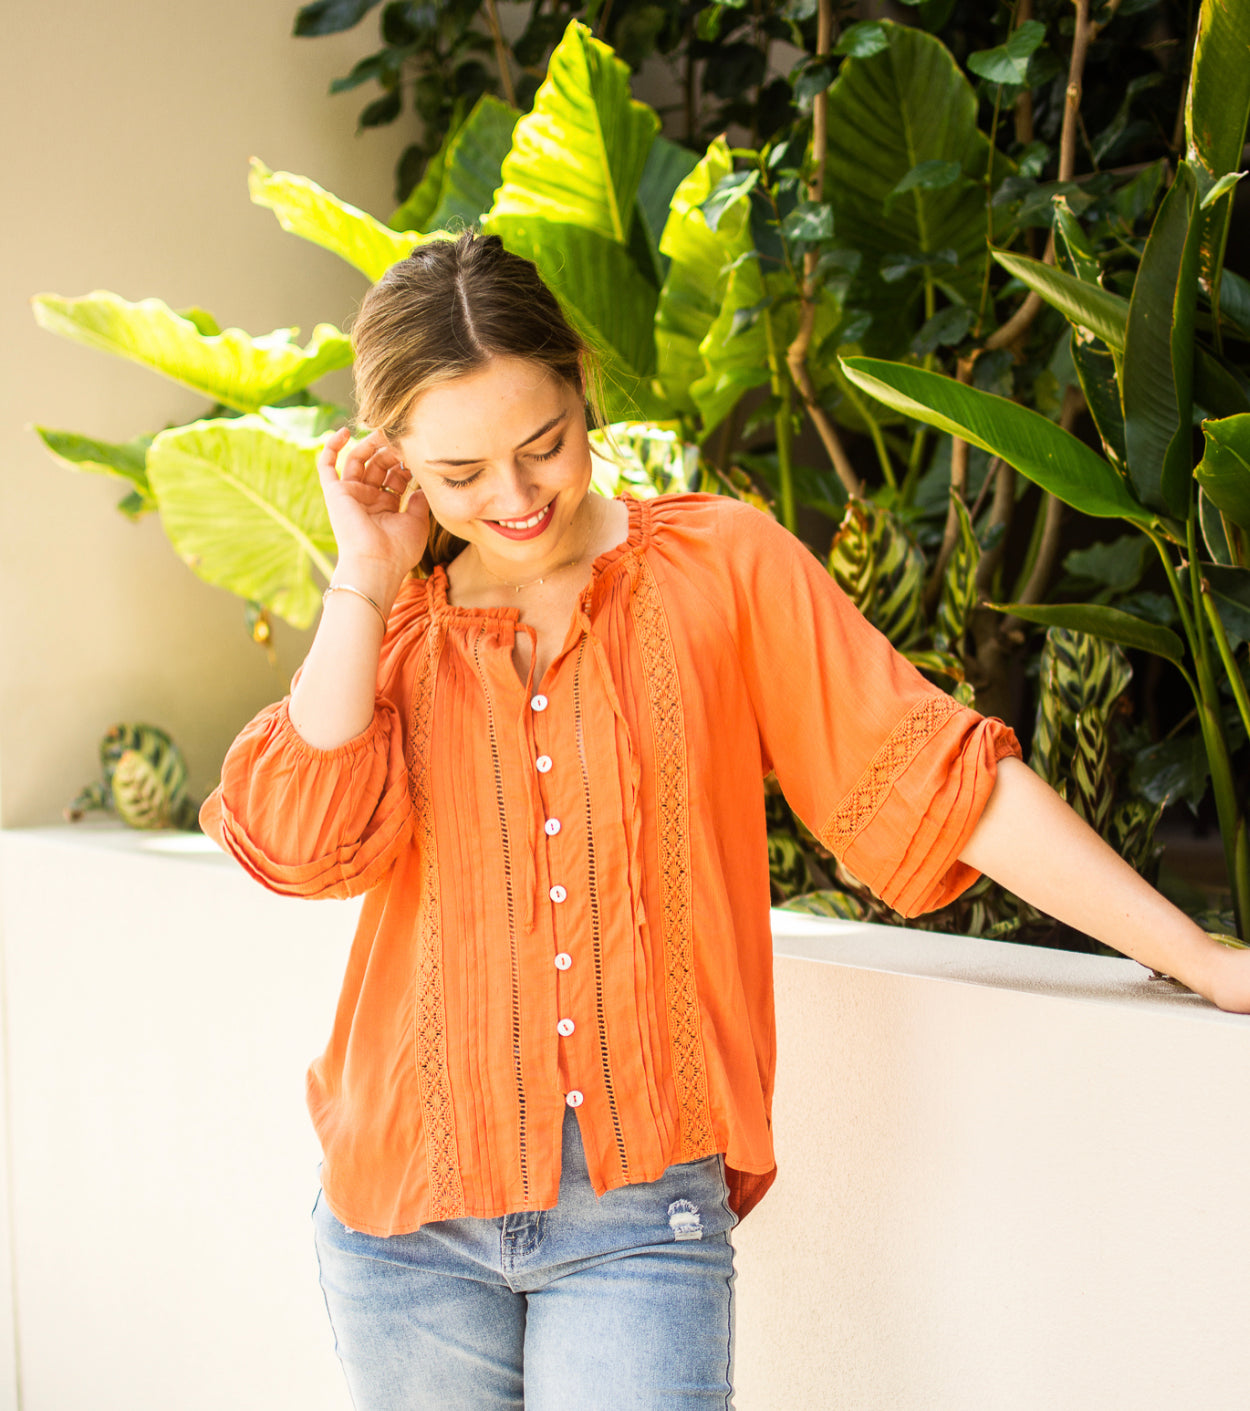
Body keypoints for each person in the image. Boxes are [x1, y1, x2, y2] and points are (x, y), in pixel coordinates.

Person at [201, 230, 1250, 1411]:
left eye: (542, 445)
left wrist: (1196, 957)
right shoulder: (389, 631)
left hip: (640, 1217)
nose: (512, 496)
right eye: (459, 474)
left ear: (584, 385)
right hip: (400, 1221)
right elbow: (294, 840)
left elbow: (930, 774)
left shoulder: (718, 567)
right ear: (394, 459)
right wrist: (366, 571)